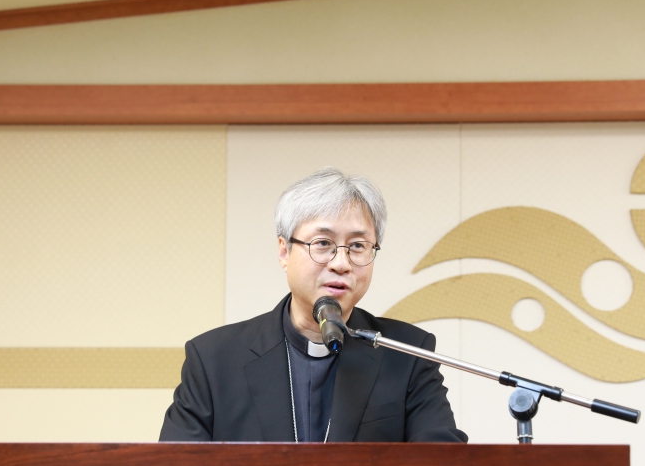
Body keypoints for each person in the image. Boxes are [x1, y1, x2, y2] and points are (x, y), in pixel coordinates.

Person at [159, 168, 467, 443]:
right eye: (323, 244)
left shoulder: (407, 353)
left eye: (358, 246)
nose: (341, 263)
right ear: (284, 252)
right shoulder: (214, 359)